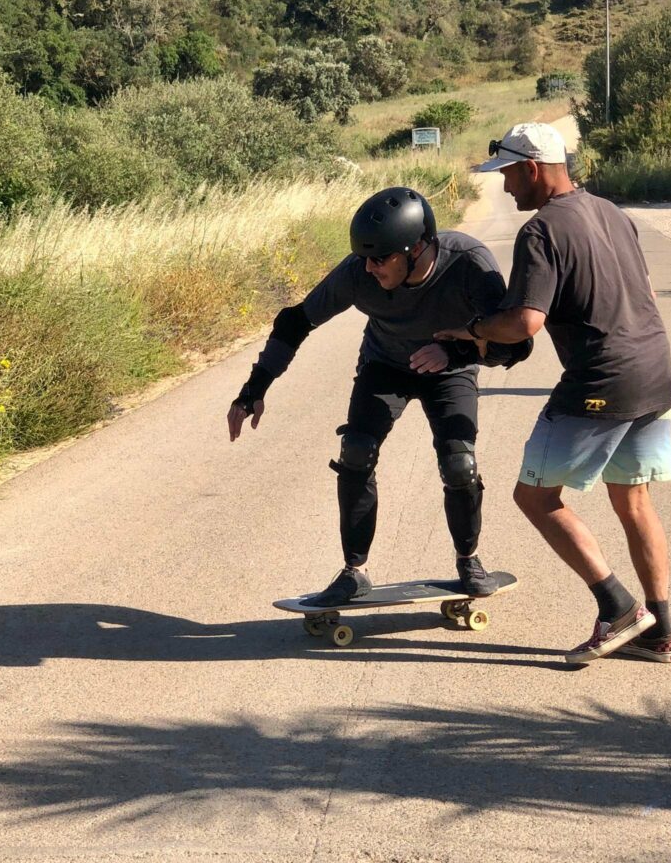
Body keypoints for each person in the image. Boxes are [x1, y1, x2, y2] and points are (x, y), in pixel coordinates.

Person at [435, 123, 671, 664]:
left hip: (602, 380)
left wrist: (474, 329)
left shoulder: (541, 231)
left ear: (531, 167)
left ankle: (618, 608)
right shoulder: (612, 212)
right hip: (655, 371)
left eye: (507, 175)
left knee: (535, 496)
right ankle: (660, 631)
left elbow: (524, 322)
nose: (504, 188)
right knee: (633, 498)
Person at [227, 186, 532, 606]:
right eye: (364, 257)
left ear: (418, 248)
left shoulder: (469, 265)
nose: (369, 267)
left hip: (451, 370)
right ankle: (354, 572)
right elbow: (296, 321)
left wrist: (454, 350)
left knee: (459, 463)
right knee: (356, 451)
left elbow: (515, 345)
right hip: (385, 366)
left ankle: (469, 560)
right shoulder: (359, 272)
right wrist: (253, 390)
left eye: (380, 258)